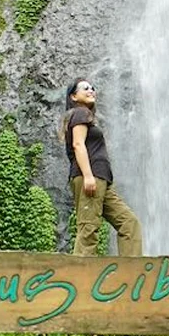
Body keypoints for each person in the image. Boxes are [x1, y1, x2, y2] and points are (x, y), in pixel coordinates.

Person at [61, 78, 142, 256]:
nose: (91, 90)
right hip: (90, 177)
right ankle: (80, 278)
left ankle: (131, 274)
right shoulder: (80, 113)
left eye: (92, 88)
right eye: (85, 88)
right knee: (88, 228)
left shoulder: (85, 115)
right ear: (74, 96)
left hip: (102, 179)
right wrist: (88, 176)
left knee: (129, 223)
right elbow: (78, 144)